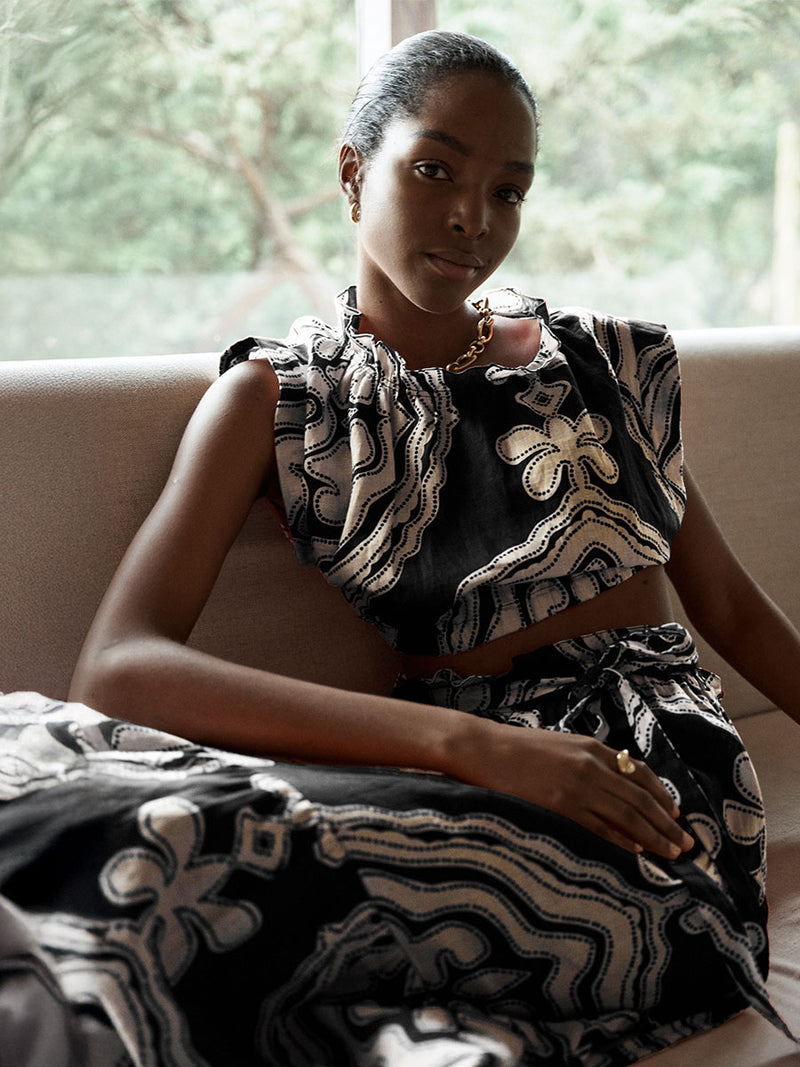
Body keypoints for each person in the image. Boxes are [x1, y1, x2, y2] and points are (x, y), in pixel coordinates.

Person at [2, 28, 799, 1067]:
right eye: (434, 169)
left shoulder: (602, 364)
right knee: (82, 823)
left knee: (182, 863)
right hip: (446, 766)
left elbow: (731, 612)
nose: (474, 219)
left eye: (508, 190)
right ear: (351, 170)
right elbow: (118, 665)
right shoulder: (276, 398)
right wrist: (474, 745)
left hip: (648, 799)